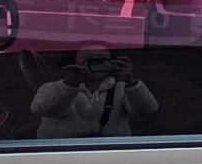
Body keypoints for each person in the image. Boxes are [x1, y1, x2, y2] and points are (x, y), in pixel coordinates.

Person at [28, 45, 157, 139]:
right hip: (61, 153)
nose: (95, 63)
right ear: (74, 61)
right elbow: (42, 110)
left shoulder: (123, 88)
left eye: (102, 59)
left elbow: (147, 112)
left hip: (112, 152)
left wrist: (131, 82)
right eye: (88, 58)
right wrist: (70, 84)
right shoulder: (52, 87)